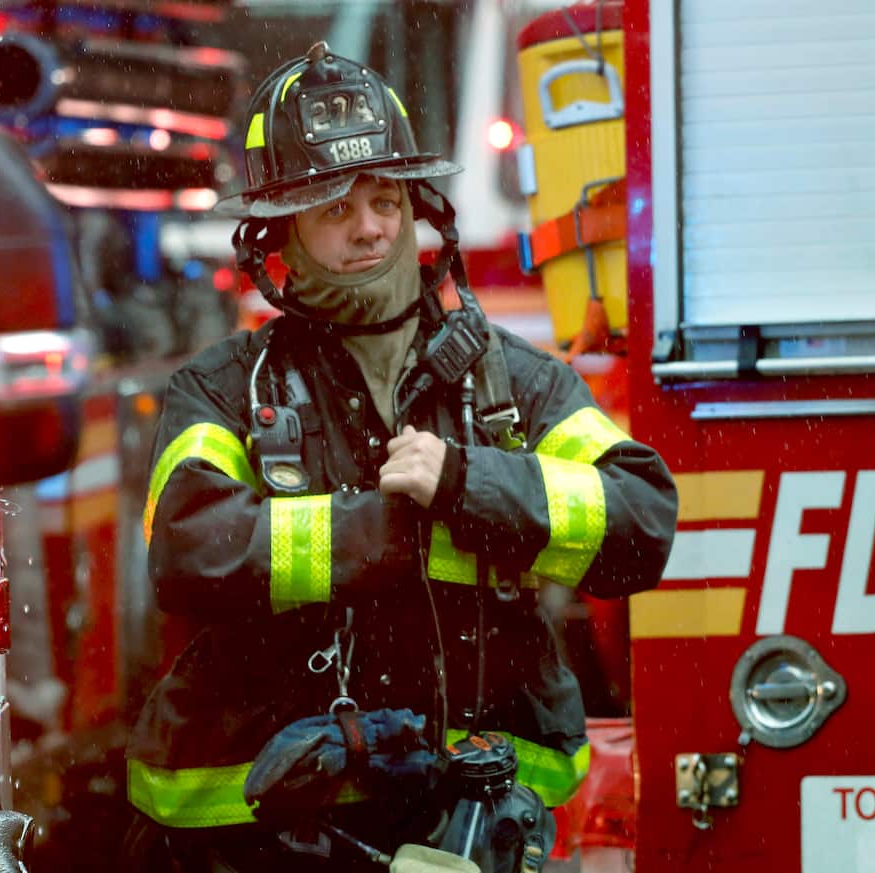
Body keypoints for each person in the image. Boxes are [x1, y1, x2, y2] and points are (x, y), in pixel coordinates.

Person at [122, 42, 676, 871]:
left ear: (417, 208)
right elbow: (189, 551)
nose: (369, 228)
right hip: (258, 827)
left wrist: (468, 482)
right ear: (284, 230)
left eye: (384, 199)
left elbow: (641, 520)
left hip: (470, 813)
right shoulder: (226, 388)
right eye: (335, 209)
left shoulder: (507, 381)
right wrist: (386, 532)